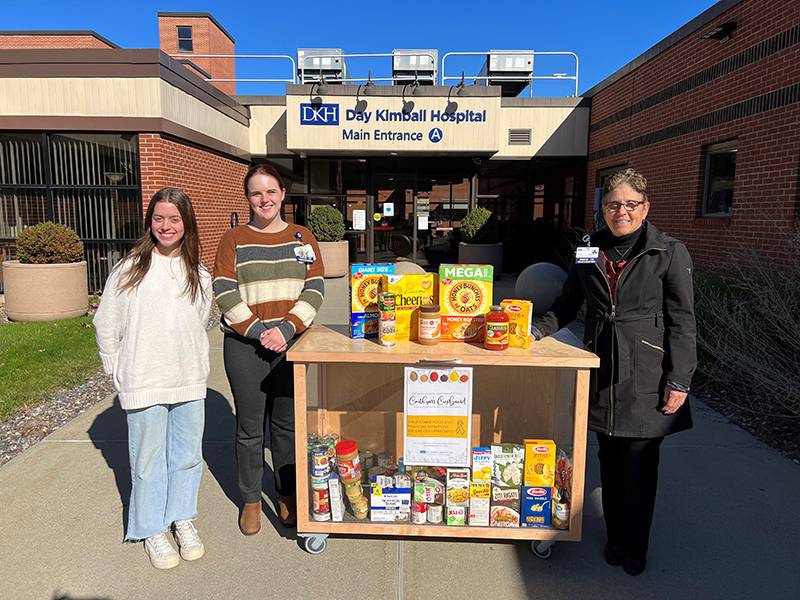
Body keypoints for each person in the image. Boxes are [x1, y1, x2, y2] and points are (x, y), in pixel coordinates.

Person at [532, 168, 696, 576]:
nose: (620, 211)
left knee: (640, 464)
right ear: (602, 208)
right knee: (608, 457)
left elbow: (683, 320)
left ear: (645, 207)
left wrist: (679, 379)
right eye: (612, 204)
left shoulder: (669, 251)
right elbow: (569, 302)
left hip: (647, 370)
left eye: (629, 204)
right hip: (602, 363)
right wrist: (535, 329)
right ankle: (615, 537)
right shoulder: (588, 248)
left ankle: (635, 545)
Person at [94, 188, 212, 570]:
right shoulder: (129, 270)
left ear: (186, 224)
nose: (166, 226)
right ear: (150, 222)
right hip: (145, 380)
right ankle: (152, 528)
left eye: (174, 219)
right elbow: (106, 322)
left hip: (189, 380)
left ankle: (181, 517)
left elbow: (200, 322)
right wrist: (116, 367)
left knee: (187, 457)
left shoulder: (199, 273)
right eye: (159, 218)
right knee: (147, 461)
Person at [213, 164, 325, 535]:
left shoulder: (302, 237)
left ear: (282, 194)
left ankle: (287, 493)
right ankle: (249, 499)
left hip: (290, 344)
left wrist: (287, 327)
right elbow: (225, 290)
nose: (264, 199)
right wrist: (261, 331)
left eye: (271, 191)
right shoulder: (234, 239)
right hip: (246, 346)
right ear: (248, 198)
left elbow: (315, 288)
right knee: (249, 428)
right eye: (256, 193)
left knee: (286, 426)